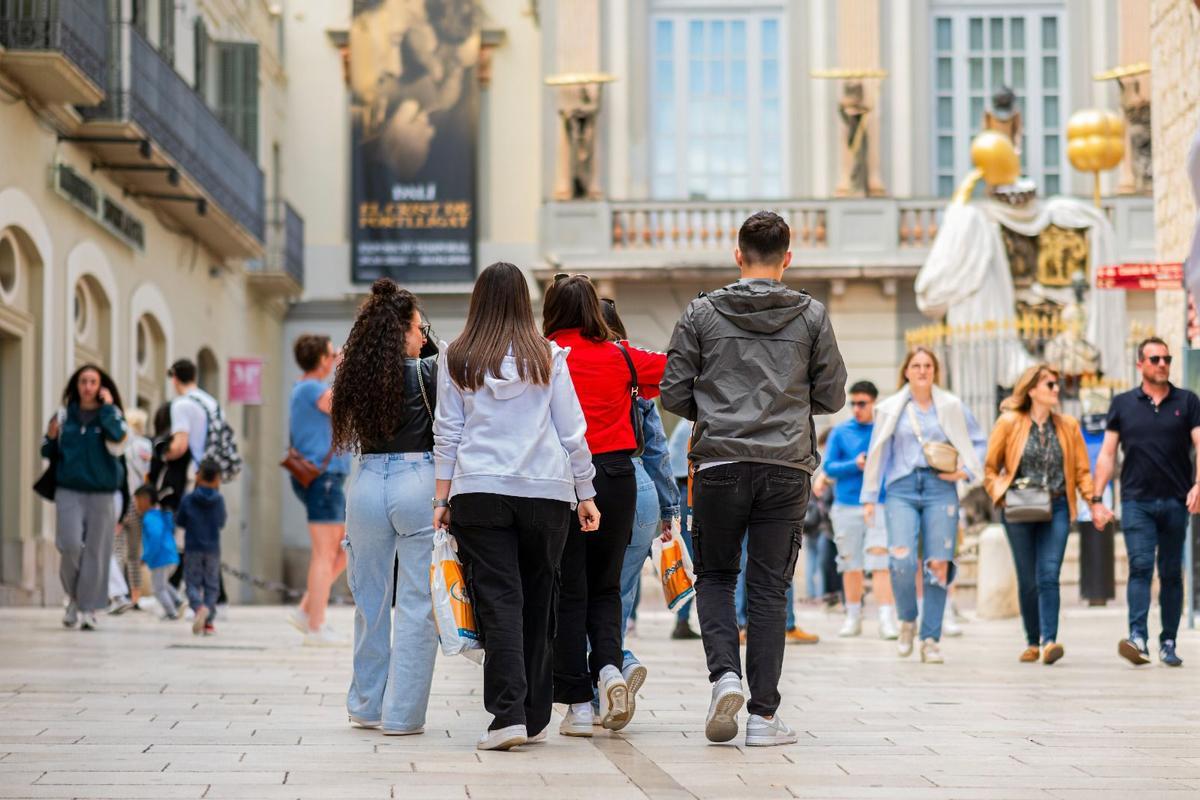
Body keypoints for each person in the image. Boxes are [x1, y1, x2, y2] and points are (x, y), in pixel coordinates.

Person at [661, 210, 847, 747]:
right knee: (768, 589)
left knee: (716, 577)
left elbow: (672, 391)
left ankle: (725, 676)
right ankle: (764, 718)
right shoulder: (812, 316)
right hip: (785, 466)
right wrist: (787, 404)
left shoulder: (701, 312)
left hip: (718, 463)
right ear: (787, 258)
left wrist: (716, 408)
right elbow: (833, 394)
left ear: (737, 255)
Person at [433, 262, 601, 751]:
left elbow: (447, 433)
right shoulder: (549, 356)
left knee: (499, 599)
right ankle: (533, 716)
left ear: (479, 300)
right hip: (545, 492)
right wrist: (586, 493)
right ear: (523, 302)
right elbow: (572, 432)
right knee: (539, 598)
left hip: (479, 490)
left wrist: (440, 499)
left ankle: (507, 716)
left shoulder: (456, 356)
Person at [544, 274, 667, 735]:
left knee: (569, 590)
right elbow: (675, 367)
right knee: (607, 586)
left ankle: (577, 706)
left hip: (562, 478)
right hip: (618, 476)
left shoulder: (544, 355)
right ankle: (610, 669)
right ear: (594, 311)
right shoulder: (621, 355)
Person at [330, 279, 439, 735]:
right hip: (419, 482)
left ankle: (366, 704)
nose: (423, 337)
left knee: (370, 600)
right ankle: (402, 716)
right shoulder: (428, 374)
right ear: (403, 332)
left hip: (367, 483)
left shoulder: (356, 378)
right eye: (418, 328)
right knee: (417, 603)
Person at [860, 347, 986, 665]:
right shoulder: (890, 408)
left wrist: (966, 472)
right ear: (906, 371)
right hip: (901, 487)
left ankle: (930, 638)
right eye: (916, 365)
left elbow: (979, 441)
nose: (922, 370)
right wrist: (870, 497)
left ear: (934, 371)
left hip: (940, 486)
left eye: (928, 365)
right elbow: (877, 452)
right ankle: (907, 620)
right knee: (901, 559)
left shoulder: (951, 405)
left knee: (939, 563)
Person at [984, 364, 1109, 665]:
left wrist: (1093, 502)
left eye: (1057, 384)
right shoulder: (1009, 422)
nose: (1056, 389)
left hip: (1057, 505)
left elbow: (1081, 471)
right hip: (1019, 508)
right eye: (1050, 384)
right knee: (1027, 578)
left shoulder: (1068, 425)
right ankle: (1032, 640)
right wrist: (1000, 493)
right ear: (1031, 390)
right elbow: (990, 467)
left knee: (1049, 574)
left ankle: (1049, 641)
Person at [1094, 338, 1200, 667]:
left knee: (1170, 572)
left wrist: (1198, 484)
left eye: (1167, 358)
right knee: (1140, 566)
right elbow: (1107, 454)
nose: (1163, 364)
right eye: (1155, 359)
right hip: (1136, 501)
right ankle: (1138, 637)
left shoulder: (1187, 401)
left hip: (1175, 500)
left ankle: (1168, 641)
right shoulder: (1123, 404)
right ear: (1140, 364)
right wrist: (1097, 499)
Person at [600, 299, 680, 713]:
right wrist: (669, 509)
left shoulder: (571, 366)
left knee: (581, 592)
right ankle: (617, 662)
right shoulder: (632, 371)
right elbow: (657, 449)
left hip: (591, 483)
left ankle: (609, 673)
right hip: (640, 489)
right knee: (619, 593)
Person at [42, 364, 129, 631]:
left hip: (103, 492)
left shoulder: (111, 414)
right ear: (76, 385)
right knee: (68, 545)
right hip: (68, 489)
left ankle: (88, 608)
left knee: (96, 551)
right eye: (83, 381)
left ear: (101, 386)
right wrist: (50, 437)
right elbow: (47, 451)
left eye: (93, 382)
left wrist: (108, 409)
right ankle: (74, 597)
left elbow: (119, 438)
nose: (88, 387)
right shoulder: (64, 415)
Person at [287, 334, 351, 646]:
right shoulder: (312, 389)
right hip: (324, 479)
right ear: (323, 359)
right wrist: (346, 367)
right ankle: (316, 627)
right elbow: (343, 404)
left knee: (345, 547)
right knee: (327, 553)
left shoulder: (304, 388)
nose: (335, 355)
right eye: (331, 353)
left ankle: (306, 611)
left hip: (324, 479)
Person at [824, 381, 899, 639]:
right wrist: (854, 464)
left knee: (881, 563)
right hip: (846, 505)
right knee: (850, 563)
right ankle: (853, 616)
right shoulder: (840, 432)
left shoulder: (884, 431)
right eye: (853, 403)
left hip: (879, 504)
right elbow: (829, 467)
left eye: (862, 403)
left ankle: (886, 619)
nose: (857, 408)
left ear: (874, 403)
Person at [176, 459, 227, 636]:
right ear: (217, 479)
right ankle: (209, 622)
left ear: (198, 476)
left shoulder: (188, 499)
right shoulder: (219, 500)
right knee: (212, 586)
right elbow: (221, 522)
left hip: (192, 547)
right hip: (212, 548)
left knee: (192, 583)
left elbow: (180, 521)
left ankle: (198, 608)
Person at [666, 418, 700, 639]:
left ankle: (682, 619)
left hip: (684, 488)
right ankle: (682, 619)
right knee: (690, 558)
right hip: (687, 490)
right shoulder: (692, 423)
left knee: (688, 557)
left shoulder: (686, 421)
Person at [134, 486, 182, 619]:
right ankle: (178, 601)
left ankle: (171, 612)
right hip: (170, 556)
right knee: (163, 584)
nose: (136, 505)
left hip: (161, 558)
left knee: (157, 589)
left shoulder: (150, 518)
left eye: (137, 501)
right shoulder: (160, 515)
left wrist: (146, 557)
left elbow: (155, 538)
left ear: (145, 500)